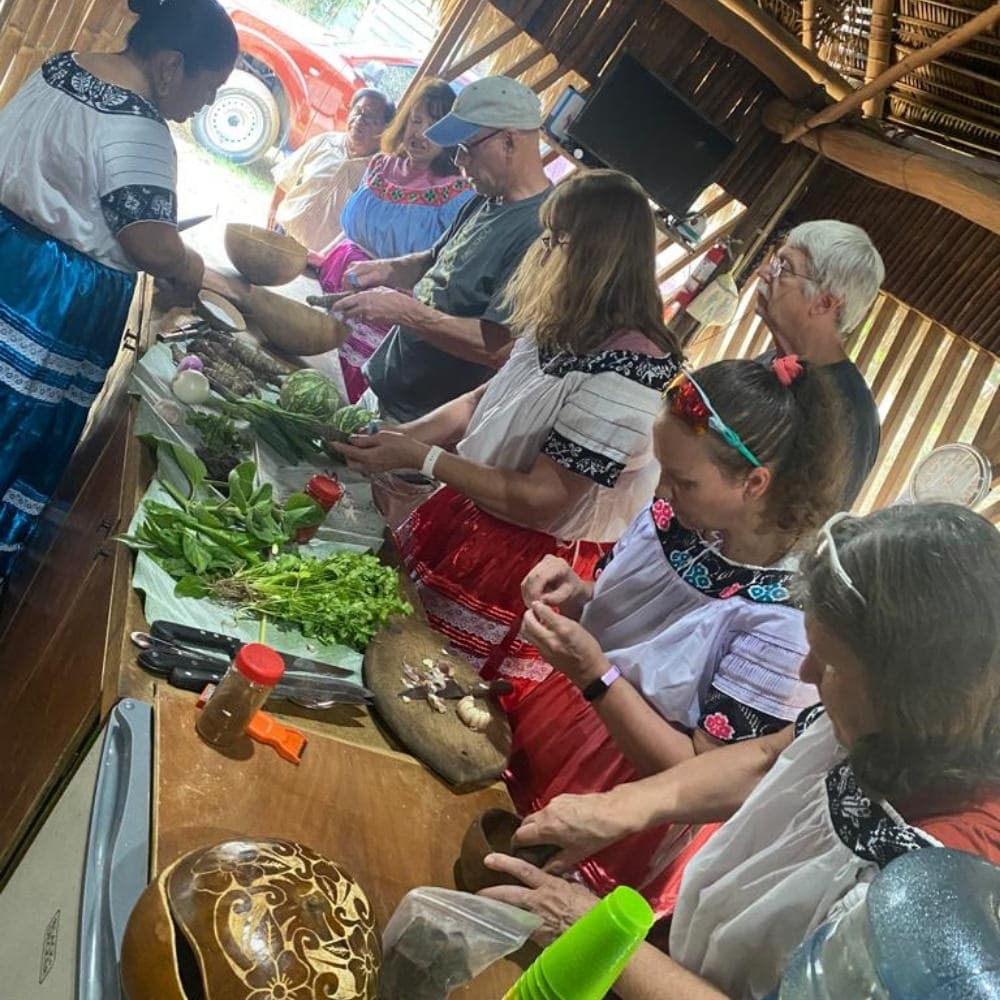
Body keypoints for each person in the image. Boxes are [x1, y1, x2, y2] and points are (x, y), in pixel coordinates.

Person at [483, 503, 1000, 1000]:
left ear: (912, 694)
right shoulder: (880, 726)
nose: (806, 675)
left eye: (833, 665)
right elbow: (771, 757)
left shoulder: (936, 886)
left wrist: (598, 934)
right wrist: (619, 807)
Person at [503, 356, 848, 916]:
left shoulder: (785, 620)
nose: (662, 491)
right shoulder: (681, 514)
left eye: (683, 480)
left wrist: (594, 672)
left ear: (754, 483)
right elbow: (641, 614)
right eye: (663, 468)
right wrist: (583, 590)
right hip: (556, 716)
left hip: (621, 796)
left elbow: (695, 770)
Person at [334, 170, 683, 702]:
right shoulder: (565, 320)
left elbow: (541, 499)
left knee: (435, 694)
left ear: (595, 254)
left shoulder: (630, 371)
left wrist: (422, 457)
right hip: (470, 514)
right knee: (382, 653)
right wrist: (398, 438)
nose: (541, 251)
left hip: (522, 562)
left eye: (554, 239)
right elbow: (483, 402)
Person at [0, 0, 237, 579]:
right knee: (14, 421)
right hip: (53, 295)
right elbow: (152, 245)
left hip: (10, 251)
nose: (205, 104)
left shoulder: (63, 65)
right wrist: (189, 262)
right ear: (169, 66)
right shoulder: (140, 128)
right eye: (210, 87)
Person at [333, 75, 551, 423]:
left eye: (468, 147)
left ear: (509, 141)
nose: (460, 162)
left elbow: (497, 347)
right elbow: (436, 259)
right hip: (387, 385)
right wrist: (388, 268)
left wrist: (405, 312)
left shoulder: (540, 232)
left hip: (421, 420)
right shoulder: (485, 198)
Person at [312, 78, 475, 402]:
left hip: (377, 319)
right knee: (304, 367)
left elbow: (440, 269)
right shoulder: (380, 165)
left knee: (335, 396)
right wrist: (320, 258)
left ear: (451, 137)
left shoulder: (457, 195)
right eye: (415, 121)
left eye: (434, 125)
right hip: (333, 281)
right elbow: (351, 229)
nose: (420, 133)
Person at [754, 220, 884, 504]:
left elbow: (803, 522)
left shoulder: (846, 413)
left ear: (824, 303)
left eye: (783, 269)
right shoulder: (773, 359)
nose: (764, 273)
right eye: (773, 262)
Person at [265, 87, 393, 251]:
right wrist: (273, 211)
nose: (359, 120)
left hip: (318, 258)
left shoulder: (378, 174)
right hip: (282, 233)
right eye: (357, 111)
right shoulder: (324, 142)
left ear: (385, 129)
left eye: (370, 118)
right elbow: (285, 178)